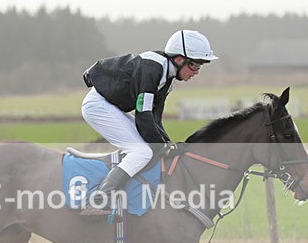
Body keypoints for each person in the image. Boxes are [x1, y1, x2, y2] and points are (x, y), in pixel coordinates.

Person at [81, 30, 219, 209]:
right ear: (179, 59)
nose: (197, 72)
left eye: (200, 67)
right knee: (142, 152)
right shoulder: (152, 68)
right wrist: (163, 146)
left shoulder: (168, 79)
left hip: (112, 106)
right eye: (195, 66)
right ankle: (99, 200)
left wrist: (168, 143)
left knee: (150, 149)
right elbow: (143, 116)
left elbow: (155, 119)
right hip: (98, 106)